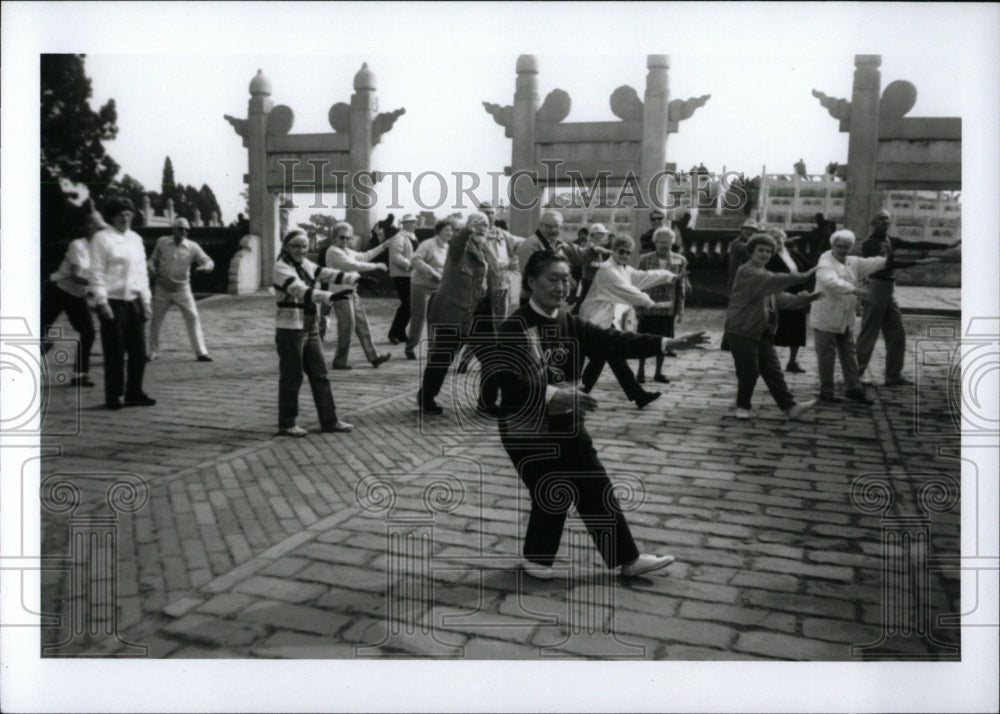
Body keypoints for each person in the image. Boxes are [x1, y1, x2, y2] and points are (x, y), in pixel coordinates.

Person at [496, 250, 710, 579]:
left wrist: (667, 344)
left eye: (566, 279)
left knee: (595, 484)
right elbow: (508, 382)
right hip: (526, 426)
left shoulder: (570, 321)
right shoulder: (515, 326)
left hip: (568, 420)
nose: (561, 286)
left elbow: (614, 340)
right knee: (553, 487)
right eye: (552, 279)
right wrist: (552, 394)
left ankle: (627, 559)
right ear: (531, 282)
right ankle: (537, 559)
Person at [724, 233, 822, 420]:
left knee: (773, 371)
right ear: (751, 252)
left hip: (763, 330)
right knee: (749, 371)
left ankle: (790, 407)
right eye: (760, 250)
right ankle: (743, 406)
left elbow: (780, 298)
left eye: (769, 251)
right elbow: (775, 281)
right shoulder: (747, 272)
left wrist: (804, 298)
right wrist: (801, 276)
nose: (765, 254)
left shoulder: (764, 274)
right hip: (742, 329)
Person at [273, 230, 360, 437]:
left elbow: (326, 273)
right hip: (290, 329)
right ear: (286, 246)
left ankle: (329, 421)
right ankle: (286, 423)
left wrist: (354, 278)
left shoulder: (305, 264)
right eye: (295, 245)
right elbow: (300, 291)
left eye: (304, 246)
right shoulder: (281, 267)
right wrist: (332, 296)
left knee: (320, 375)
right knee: (292, 377)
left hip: (311, 326)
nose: (300, 250)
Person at [856, 209, 956, 386]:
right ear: (873, 223)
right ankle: (856, 375)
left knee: (897, 334)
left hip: (888, 289)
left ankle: (893, 375)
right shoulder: (870, 244)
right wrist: (918, 262)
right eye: (881, 219)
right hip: (876, 288)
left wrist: (946, 246)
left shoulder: (890, 240)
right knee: (869, 334)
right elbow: (885, 265)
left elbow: (917, 244)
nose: (885, 221)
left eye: (887, 219)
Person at [579, 235, 675, 409]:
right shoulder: (607, 269)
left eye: (627, 253)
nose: (624, 255)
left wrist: (667, 275)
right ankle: (579, 396)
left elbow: (642, 277)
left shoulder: (623, 268)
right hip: (594, 319)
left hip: (606, 320)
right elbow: (627, 290)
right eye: (621, 251)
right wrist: (650, 303)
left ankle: (638, 395)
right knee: (602, 357)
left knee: (613, 357)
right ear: (614, 251)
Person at [418, 212, 497, 415]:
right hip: (456, 311)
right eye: (476, 224)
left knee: (493, 358)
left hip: (481, 312)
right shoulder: (459, 248)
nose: (481, 228)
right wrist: (466, 230)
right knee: (442, 358)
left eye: (485, 225)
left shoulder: (486, 249)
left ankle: (487, 403)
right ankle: (426, 397)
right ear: (468, 228)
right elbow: (456, 245)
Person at [810, 229, 890, 405]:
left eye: (846, 247)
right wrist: (854, 289)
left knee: (849, 353)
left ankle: (854, 389)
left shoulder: (851, 262)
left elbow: (873, 263)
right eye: (839, 246)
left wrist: (894, 260)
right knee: (827, 355)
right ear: (833, 245)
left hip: (845, 318)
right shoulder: (825, 261)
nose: (842, 250)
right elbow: (831, 282)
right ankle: (827, 391)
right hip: (826, 316)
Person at [89, 197, 155, 410]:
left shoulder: (135, 239)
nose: (125, 218)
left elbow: (141, 272)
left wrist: (146, 301)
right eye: (120, 214)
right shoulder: (102, 238)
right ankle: (113, 396)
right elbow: (96, 272)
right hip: (113, 302)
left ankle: (134, 393)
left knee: (138, 352)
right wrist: (102, 301)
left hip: (134, 301)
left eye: (128, 214)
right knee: (115, 352)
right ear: (111, 217)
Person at [41, 201, 104, 387]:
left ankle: (79, 375)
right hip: (57, 291)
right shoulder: (78, 245)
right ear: (91, 228)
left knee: (89, 333)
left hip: (76, 296)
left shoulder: (101, 252)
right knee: (39, 332)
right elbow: (77, 275)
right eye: (100, 229)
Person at [321, 222, 391, 369]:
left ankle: (374, 357)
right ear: (334, 238)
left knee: (362, 325)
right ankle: (340, 361)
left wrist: (382, 246)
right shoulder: (333, 251)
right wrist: (376, 266)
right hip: (340, 293)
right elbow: (351, 265)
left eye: (348, 238)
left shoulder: (347, 251)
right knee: (347, 326)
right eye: (342, 237)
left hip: (352, 291)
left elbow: (364, 256)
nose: (345, 241)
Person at [146, 217, 215, 362]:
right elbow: (153, 259)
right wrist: (151, 266)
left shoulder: (192, 246)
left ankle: (201, 352)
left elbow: (208, 261)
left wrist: (206, 267)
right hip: (162, 287)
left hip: (182, 288)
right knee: (156, 320)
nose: (184, 232)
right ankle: (153, 351)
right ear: (174, 229)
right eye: (180, 228)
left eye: (186, 230)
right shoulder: (162, 241)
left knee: (193, 317)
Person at [514, 209, 610, 307]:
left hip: (552, 297)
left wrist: (593, 250)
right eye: (549, 227)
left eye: (556, 226)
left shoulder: (558, 244)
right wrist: (563, 277)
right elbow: (532, 275)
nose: (553, 230)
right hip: (534, 298)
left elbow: (579, 254)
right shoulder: (530, 245)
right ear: (540, 226)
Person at [636, 226, 689, 384]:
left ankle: (658, 372)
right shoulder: (645, 259)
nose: (664, 245)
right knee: (643, 341)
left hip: (667, 308)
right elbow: (637, 284)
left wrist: (680, 309)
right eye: (660, 242)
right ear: (655, 242)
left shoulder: (680, 260)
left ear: (673, 242)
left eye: (667, 242)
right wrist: (637, 307)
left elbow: (682, 286)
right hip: (648, 306)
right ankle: (640, 371)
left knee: (664, 342)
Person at [764, 226, 812, 373]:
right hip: (779, 293)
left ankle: (792, 361)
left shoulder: (794, 254)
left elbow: (808, 269)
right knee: (775, 328)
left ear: (784, 239)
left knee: (797, 329)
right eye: (774, 238)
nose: (778, 241)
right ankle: (770, 362)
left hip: (798, 293)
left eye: (779, 238)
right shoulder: (768, 256)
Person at [407, 219, 454, 360]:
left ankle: (432, 349)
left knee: (435, 318)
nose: (449, 233)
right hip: (420, 285)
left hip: (438, 287)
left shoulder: (448, 247)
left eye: (451, 230)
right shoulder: (428, 244)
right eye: (446, 230)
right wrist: (432, 272)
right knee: (419, 317)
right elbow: (415, 260)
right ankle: (410, 347)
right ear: (438, 231)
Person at [386, 214, 418, 344]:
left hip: (410, 275)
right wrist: (410, 265)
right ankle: (393, 333)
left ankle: (400, 333)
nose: (414, 225)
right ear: (403, 224)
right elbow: (395, 257)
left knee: (409, 305)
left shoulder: (412, 237)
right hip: (401, 275)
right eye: (411, 222)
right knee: (407, 304)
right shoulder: (398, 238)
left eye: (415, 222)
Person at [727, 218, 760, 294]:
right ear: (741, 230)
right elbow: (746, 248)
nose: (749, 232)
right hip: (737, 276)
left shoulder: (753, 243)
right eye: (746, 229)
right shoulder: (737, 243)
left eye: (752, 230)